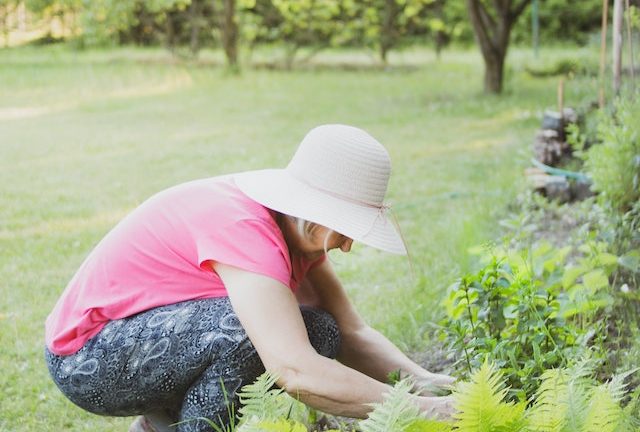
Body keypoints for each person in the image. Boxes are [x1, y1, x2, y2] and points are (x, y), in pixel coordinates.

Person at [44, 124, 456, 432]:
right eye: (346, 229)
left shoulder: (295, 235)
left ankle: (158, 426)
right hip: (87, 359)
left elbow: (352, 333)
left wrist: (426, 383)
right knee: (249, 333)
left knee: (321, 331)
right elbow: (295, 371)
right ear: (315, 210)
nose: (347, 246)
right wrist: (424, 411)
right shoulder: (246, 230)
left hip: (139, 343)